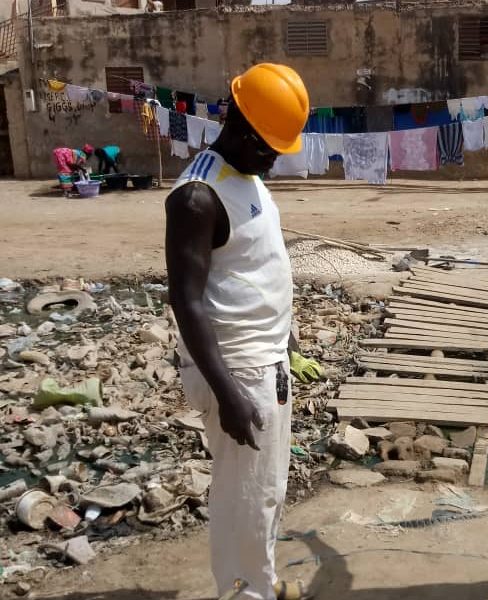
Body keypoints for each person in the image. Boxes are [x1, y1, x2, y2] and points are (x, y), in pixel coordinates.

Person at [165, 63, 317, 600]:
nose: (274, 158)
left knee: (266, 490)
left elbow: (254, 265)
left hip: (264, 361)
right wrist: (228, 394)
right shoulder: (197, 197)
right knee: (245, 497)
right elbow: (186, 301)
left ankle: (259, 582)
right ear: (239, 125)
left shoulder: (245, 176)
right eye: (268, 146)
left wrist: (287, 331)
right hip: (239, 370)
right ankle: (242, 593)